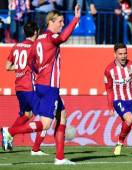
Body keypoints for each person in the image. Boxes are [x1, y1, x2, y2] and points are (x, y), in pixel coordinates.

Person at [1, 4, 81, 165]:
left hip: (41, 84)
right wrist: (76, 18)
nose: (62, 24)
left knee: (62, 116)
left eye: (63, 21)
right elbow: (63, 37)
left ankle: (59, 158)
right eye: (60, 21)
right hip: (49, 86)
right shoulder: (51, 37)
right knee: (45, 123)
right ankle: (10, 131)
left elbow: (30, 61)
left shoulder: (38, 40)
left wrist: (40, 70)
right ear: (51, 21)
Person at [3, 21, 48, 156]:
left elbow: (7, 66)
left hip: (19, 87)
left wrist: (20, 69)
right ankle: (35, 147)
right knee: (47, 118)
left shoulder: (17, 46)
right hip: (31, 86)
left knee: (26, 115)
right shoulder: (34, 47)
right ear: (35, 32)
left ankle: (8, 135)